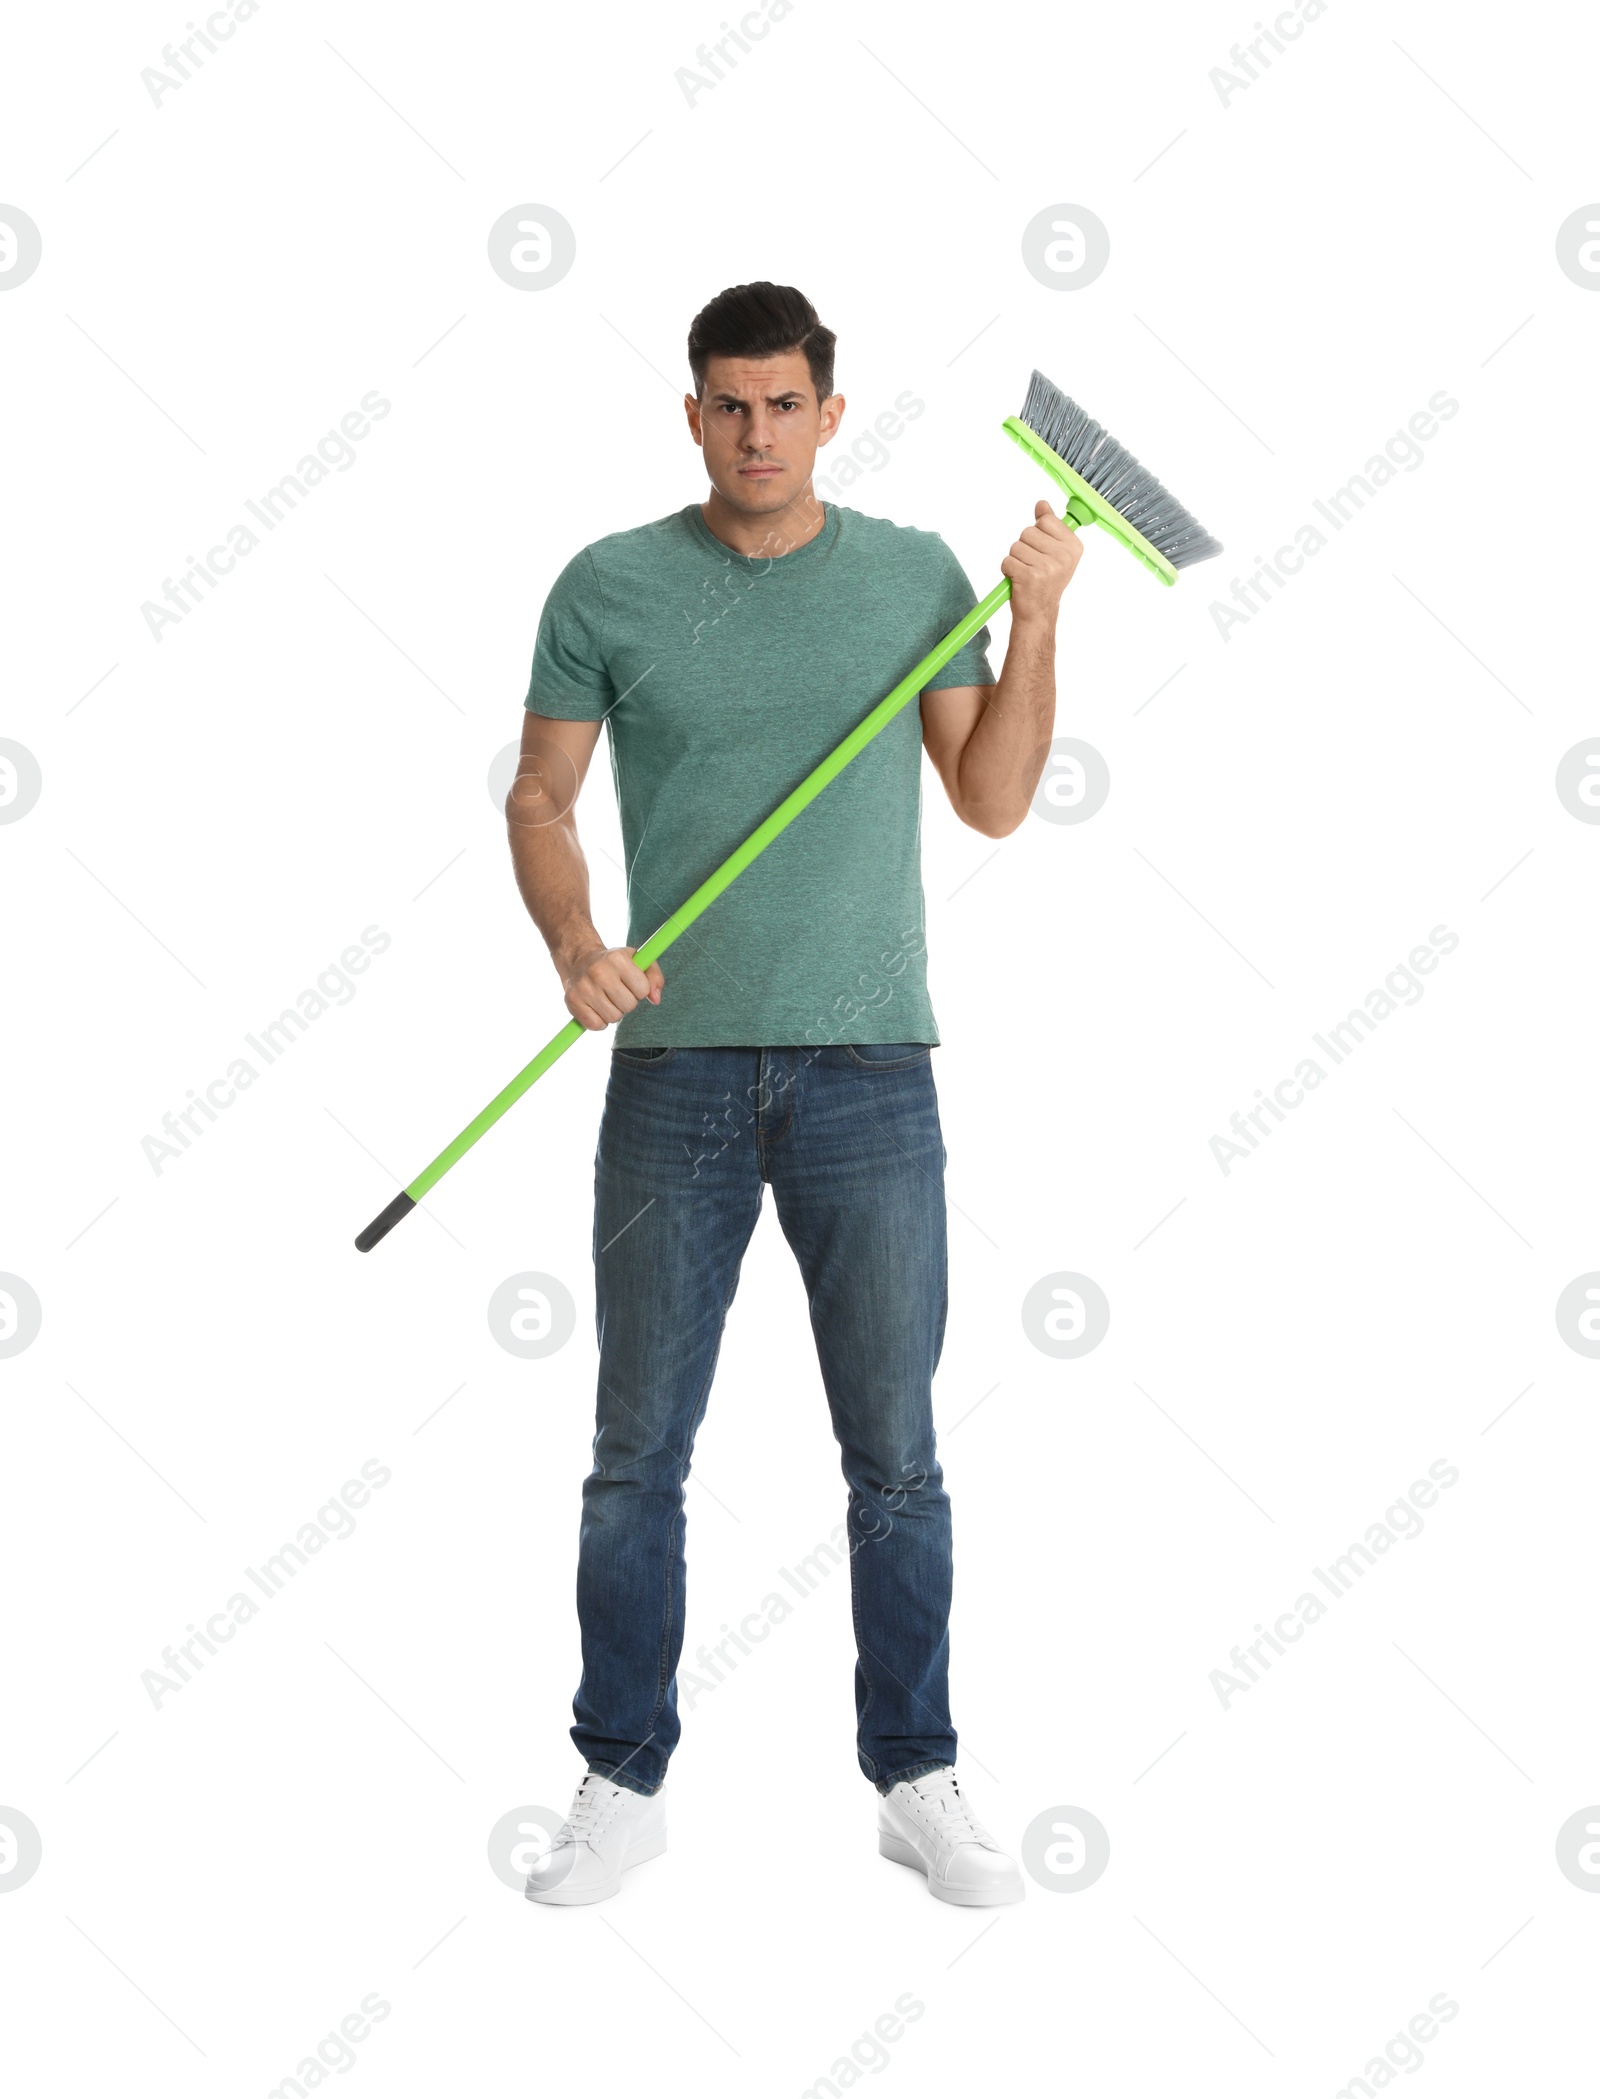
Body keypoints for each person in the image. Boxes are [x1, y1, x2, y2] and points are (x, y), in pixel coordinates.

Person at [508, 282, 1081, 1906]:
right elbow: (542, 795)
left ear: (834, 413)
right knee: (637, 1454)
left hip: (870, 1076)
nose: (755, 432)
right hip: (672, 1076)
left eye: (784, 404)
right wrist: (574, 940)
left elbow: (990, 801)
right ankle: (621, 1778)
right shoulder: (607, 585)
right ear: (690, 414)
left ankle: (917, 1776)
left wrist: (1035, 618)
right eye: (726, 404)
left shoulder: (913, 579)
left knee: (895, 1454)